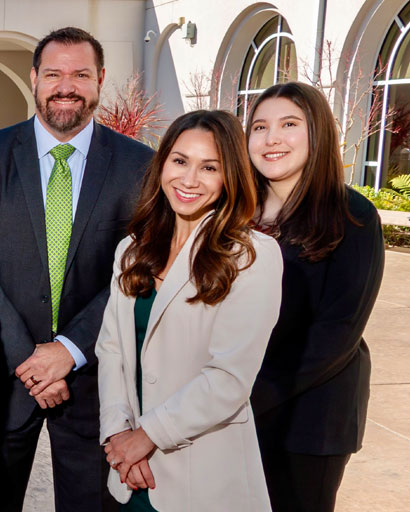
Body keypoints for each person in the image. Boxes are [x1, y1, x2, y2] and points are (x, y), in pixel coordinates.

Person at [0, 27, 155, 511]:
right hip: (4, 375)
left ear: (100, 79)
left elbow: (137, 270)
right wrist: (31, 359)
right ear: (33, 79)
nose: (67, 86)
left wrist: (67, 350)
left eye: (80, 74)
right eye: (54, 74)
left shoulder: (140, 165)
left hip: (95, 379)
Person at [97, 110, 282, 511]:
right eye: (180, 161)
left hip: (204, 474)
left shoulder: (252, 255)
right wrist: (116, 434)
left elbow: (229, 378)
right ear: (163, 163)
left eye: (209, 167)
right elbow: (111, 350)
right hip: (131, 471)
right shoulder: (132, 250)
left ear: (230, 176)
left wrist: (145, 437)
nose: (189, 179)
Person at [246, 82, 385, 512]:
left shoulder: (352, 215)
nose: (271, 139)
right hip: (230, 406)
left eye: (289, 124)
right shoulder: (236, 212)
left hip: (309, 415)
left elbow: (337, 333)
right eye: (259, 127)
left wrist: (245, 398)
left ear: (318, 133)